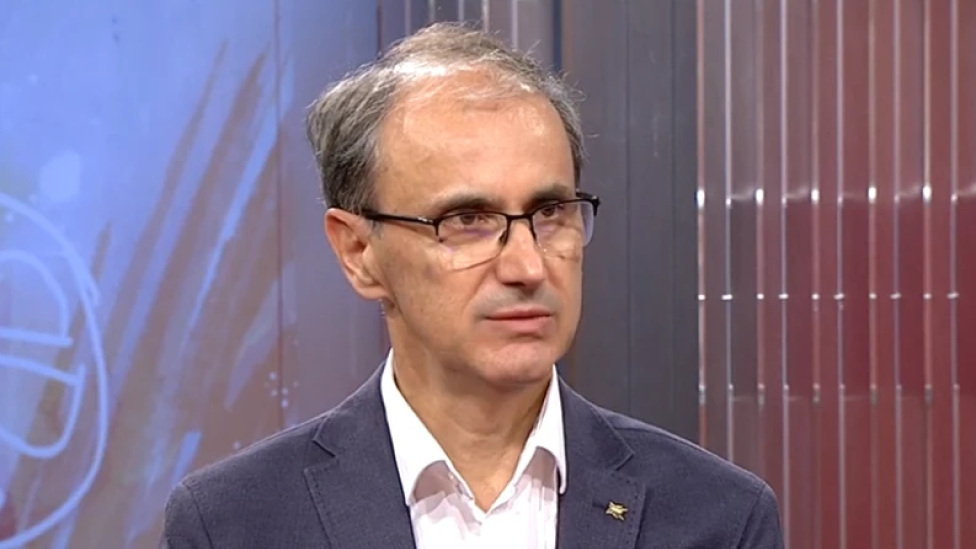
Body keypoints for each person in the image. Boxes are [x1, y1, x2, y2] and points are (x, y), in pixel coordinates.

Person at [161, 22, 783, 549]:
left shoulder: (718, 517)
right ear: (358, 253)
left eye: (550, 213)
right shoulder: (233, 524)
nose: (528, 267)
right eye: (467, 221)